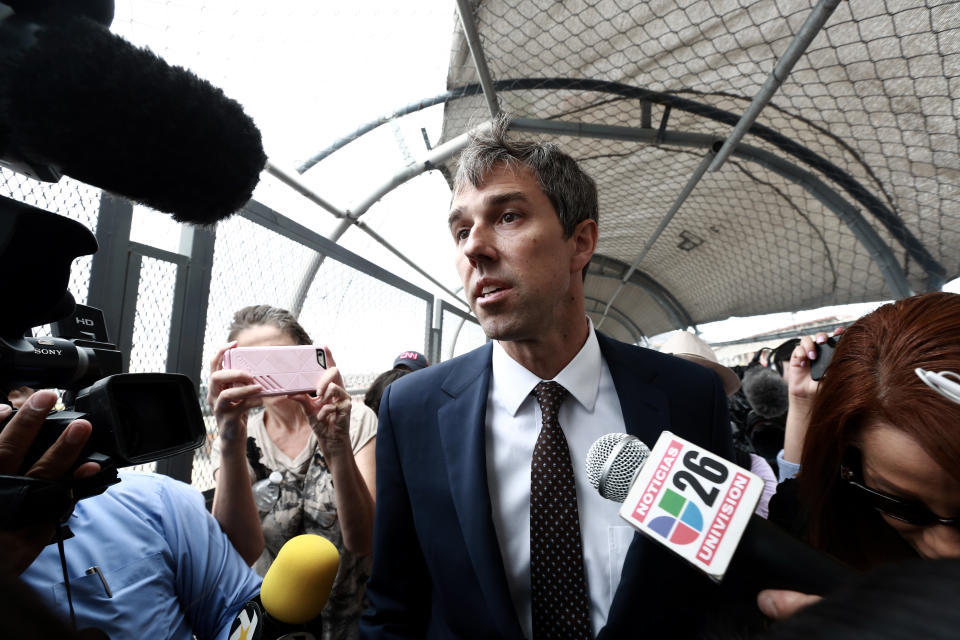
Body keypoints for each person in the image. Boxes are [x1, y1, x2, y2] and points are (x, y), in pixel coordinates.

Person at [360, 116, 734, 639]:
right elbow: (394, 607)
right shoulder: (413, 409)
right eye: (461, 230)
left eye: (508, 217)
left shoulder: (688, 398)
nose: (474, 248)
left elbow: (710, 590)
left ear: (580, 243)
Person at [761, 292, 960, 620]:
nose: (950, 550)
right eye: (905, 507)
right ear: (850, 470)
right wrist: (802, 401)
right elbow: (802, 500)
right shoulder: (828, 537)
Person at [208, 304, 376, 640]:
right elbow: (237, 549)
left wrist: (336, 445)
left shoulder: (353, 420)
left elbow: (365, 538)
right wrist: (229, 437)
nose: (269, 372)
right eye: (253, 364)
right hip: (265, 622)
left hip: (347, 621)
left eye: (281, 359)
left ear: (308, 354)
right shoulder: (237, 435)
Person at [659, 331, 778, 518]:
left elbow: (769, 532)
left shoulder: (751, 469)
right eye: (672, 385)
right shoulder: (632, 463)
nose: (686, 399)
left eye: (699, 386)